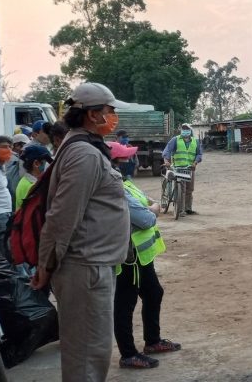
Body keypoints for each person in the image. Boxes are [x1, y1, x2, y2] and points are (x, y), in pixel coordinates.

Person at [30, 82, 131, 382]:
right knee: (87, 358)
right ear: (90, 115)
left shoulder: (84, 147)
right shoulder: (84, 154)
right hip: (85, 269)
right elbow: (61, 218)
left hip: (91, 266)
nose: (114, 117)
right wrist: (45, 267)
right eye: (109, 111)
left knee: (91, 353)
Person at [106, 142, 181, 369]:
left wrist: (152, 208)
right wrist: (154, 209)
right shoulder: (115, 188)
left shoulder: (125, 183)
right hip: (130, 257)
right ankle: (128, 354)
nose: (134, 161)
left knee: (154, 293)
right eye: (127, 158)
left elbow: (148, 204)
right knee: (125, 304)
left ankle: (153, 341)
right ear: (115, 163)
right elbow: (147, 217)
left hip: (141, 256)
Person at [162, 123, 203, 215]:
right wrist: (167, 161)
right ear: (181, 131)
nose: (185, 131)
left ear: (190, 131)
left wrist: (195, 162)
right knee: (181, 189)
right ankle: (180, 209)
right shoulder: (175, 140)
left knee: (189, 189)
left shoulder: (195, 141)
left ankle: (188, 208)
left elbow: (199, 154)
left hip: (190, 168)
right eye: (183, 129)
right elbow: (167, 151)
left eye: (187, 129)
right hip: (177, 168)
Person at [14, 145, 53, 211]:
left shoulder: (26, 181)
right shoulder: (32, 186)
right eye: (47, 162)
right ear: (36, 163)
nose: (50, 166)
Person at [5, 133, 30, 203]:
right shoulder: (13, 159)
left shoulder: (12, 156)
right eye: (25, 145)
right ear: (17, 146)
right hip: (13, 194)